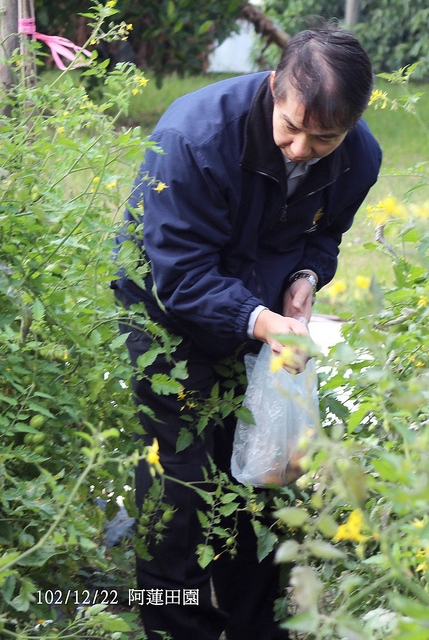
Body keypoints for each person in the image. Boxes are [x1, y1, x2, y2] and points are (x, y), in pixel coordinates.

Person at [111, 23, 382, 640]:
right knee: (179, 486)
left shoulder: (359, 156)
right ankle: (177, 628)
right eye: (289, 128)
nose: (299, 149)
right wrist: (261, 321)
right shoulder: (196, 136)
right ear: (273, 86)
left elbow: (325, 233)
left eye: (324, 139)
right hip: (166, 315)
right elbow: (178, 274)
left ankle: (255, 623)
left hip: (263, 319)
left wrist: (309, 276)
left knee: (263, 476)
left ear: (352, 125)